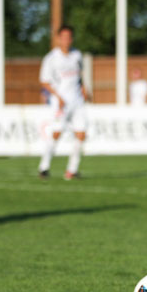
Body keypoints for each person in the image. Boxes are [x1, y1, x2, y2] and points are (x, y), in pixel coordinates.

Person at [38, 25, 89, 180]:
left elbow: (79, 76)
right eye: (64, 37)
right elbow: (44, 81)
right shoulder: (51, 58)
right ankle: (44, 166)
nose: (67, 40)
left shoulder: (77, 55)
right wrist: (58, 97)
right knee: (57, 133)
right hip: (61, 102)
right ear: (59, 38)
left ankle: (72, 170)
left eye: (69, 37)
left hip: (77, 101)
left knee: (81, 134)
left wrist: (84, 89)